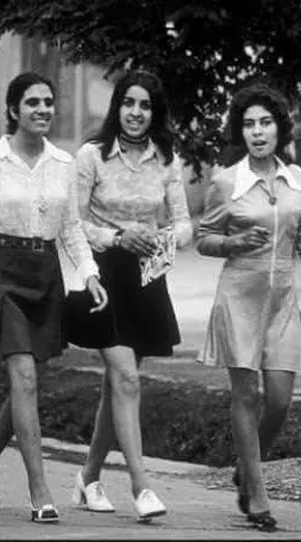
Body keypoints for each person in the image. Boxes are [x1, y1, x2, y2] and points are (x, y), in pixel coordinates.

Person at [0, 72, 108, 524]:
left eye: (49, 102)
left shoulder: (63, 162)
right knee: (25, 379)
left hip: (46, 276)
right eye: (32, 102)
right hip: (2, 273)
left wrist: (89, 273)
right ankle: (40, 490)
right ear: (14, 110)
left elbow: (71, 227)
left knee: (26, 383)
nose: (42, 110)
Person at [195, 82, 301, 531]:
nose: (257, 132)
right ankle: (257, 496)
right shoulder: (226, 182)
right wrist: (235, 242)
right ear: (239, 131)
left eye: (265, 123)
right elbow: (204, 238)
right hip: (239, 297)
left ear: (280, 128)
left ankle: (247, 466)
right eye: (248, 124)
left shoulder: (297, 179)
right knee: (246, 395)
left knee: (279, 400)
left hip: (282, 300)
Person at [64, 70, 193, 522]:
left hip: (146, 276)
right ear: (116, 106)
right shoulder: (91, 156)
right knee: (127, 380)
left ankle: (88, 477)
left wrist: (160, 238)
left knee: (116, 386)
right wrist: (119, 236)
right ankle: (141, 486)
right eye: (128, 103)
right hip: (102, 276)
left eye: (145, 106)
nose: (135, 113)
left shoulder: (167, 159)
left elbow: (185, 224)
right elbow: (72, 223)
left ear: (155, 113)